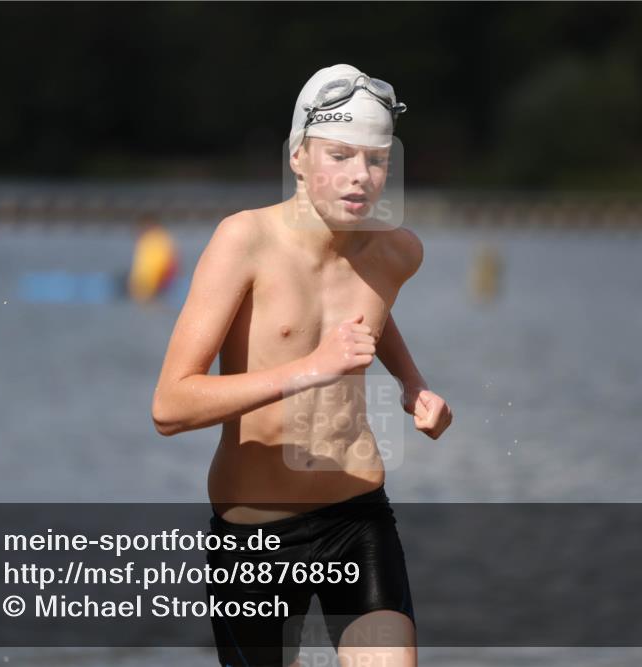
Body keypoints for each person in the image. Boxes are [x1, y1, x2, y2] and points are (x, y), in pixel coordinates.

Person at [152, 63, 452, 667]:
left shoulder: (397, 251)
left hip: (357, 514)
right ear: (297, 156)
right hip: (252, 534)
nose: (359, 177)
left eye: (375, 160)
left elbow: (367, 308)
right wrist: (310, 367)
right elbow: (171, 406)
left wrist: (411, 382)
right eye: (340, 156)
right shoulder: (245, 242)